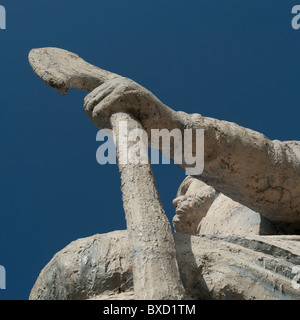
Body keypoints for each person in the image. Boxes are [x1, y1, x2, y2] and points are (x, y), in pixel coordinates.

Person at [83, 76, 300, 229]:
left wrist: (167, 126)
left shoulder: (236, 198)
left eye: (186, 188)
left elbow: (281, 170)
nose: (178, 201)